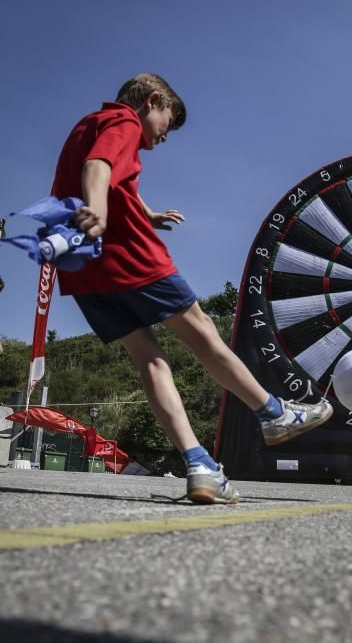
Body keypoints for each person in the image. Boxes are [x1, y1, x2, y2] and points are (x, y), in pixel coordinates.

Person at [51, 73, 333, 504]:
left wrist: (147, 213)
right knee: (203, 335)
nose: (165, 135)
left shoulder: (88, 125)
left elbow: (107, 170)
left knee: (151, 361)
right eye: (168, 121)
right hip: (127, 255)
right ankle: (275, 414)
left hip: (83, 269)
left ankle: (200, 465)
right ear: (153, 100)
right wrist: (98, 210)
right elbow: (99, 167)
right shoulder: (123, 120)